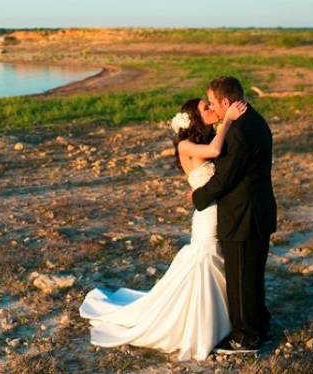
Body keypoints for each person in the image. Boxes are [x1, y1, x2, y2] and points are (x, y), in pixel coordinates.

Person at [79, 97, 247, 361]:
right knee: (205, 259)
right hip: (208, 216)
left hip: (217, 209)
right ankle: (202, 326)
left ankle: (221, 320)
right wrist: (227, 119)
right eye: (206, 108)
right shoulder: (186, 145)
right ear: (194, 118)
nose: (212, 109)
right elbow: (215, 152)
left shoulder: (202, 141)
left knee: (216, 260)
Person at [188, 76, 277, 354]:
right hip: (257, 211)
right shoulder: (254, 119)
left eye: (214, 102)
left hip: (243, 215)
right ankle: (260, 325)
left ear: (226, 102)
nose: (212, 107)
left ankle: (245, 338)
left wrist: (197, 197)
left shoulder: (238, 131)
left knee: (240, 279)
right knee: (252, 275)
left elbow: (224, 179)